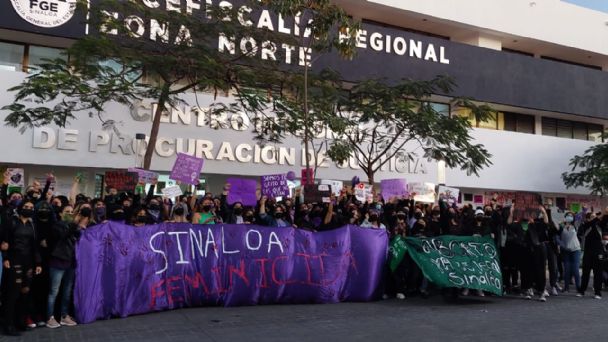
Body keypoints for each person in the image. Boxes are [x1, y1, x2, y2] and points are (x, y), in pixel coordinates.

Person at [1, 200, 43, 336]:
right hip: (14, 260)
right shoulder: (11, 222)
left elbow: (35, 246)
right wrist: (6, 258)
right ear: (20, 208)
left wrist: (38, 263)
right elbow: (4, 242)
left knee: (25, 293)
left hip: (29, 262)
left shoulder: (33, 225)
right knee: (12, 294)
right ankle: (8, 325)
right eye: (26, 207)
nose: (29, 209)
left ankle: (20, 322)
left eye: (31, 207)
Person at [45, 205, 82, 328]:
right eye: (67, 212)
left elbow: (79, 235)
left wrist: (79, 223)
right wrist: (75, 223)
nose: (70, 214)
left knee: (67, 291)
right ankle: (49, 317)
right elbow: (63, 236)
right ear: (60, 214)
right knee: (54, 291)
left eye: (72, 212)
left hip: (70, 262)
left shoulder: (72, 226)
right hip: (58, 262)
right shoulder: (56, 226)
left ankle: (64, 316)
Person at [578, 209, 606, 299]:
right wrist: (599, 216)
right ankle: (582, 291)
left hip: (599, 252)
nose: (595, 218)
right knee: (585, 273)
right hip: (588, 252)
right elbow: (592, 223)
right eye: (592, 217)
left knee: (598, 273)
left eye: (595, 216)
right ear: (588, 219)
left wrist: (605, 213)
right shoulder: (585, 225)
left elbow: (604, 220)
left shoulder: (599, 225)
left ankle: (597, 292)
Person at [558, 212, 581, 293]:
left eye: (571, 216)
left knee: (575, 269)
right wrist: (562, 245)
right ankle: (566, 287)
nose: (569, 217)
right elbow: (557, 237)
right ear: (565, 217)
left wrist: (584, 210)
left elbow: (579, 217)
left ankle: (579, 288)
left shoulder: (575, 225)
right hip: (565, 251)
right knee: (567, 270)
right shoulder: (561, 226)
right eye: (568, 215)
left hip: (575, 250)